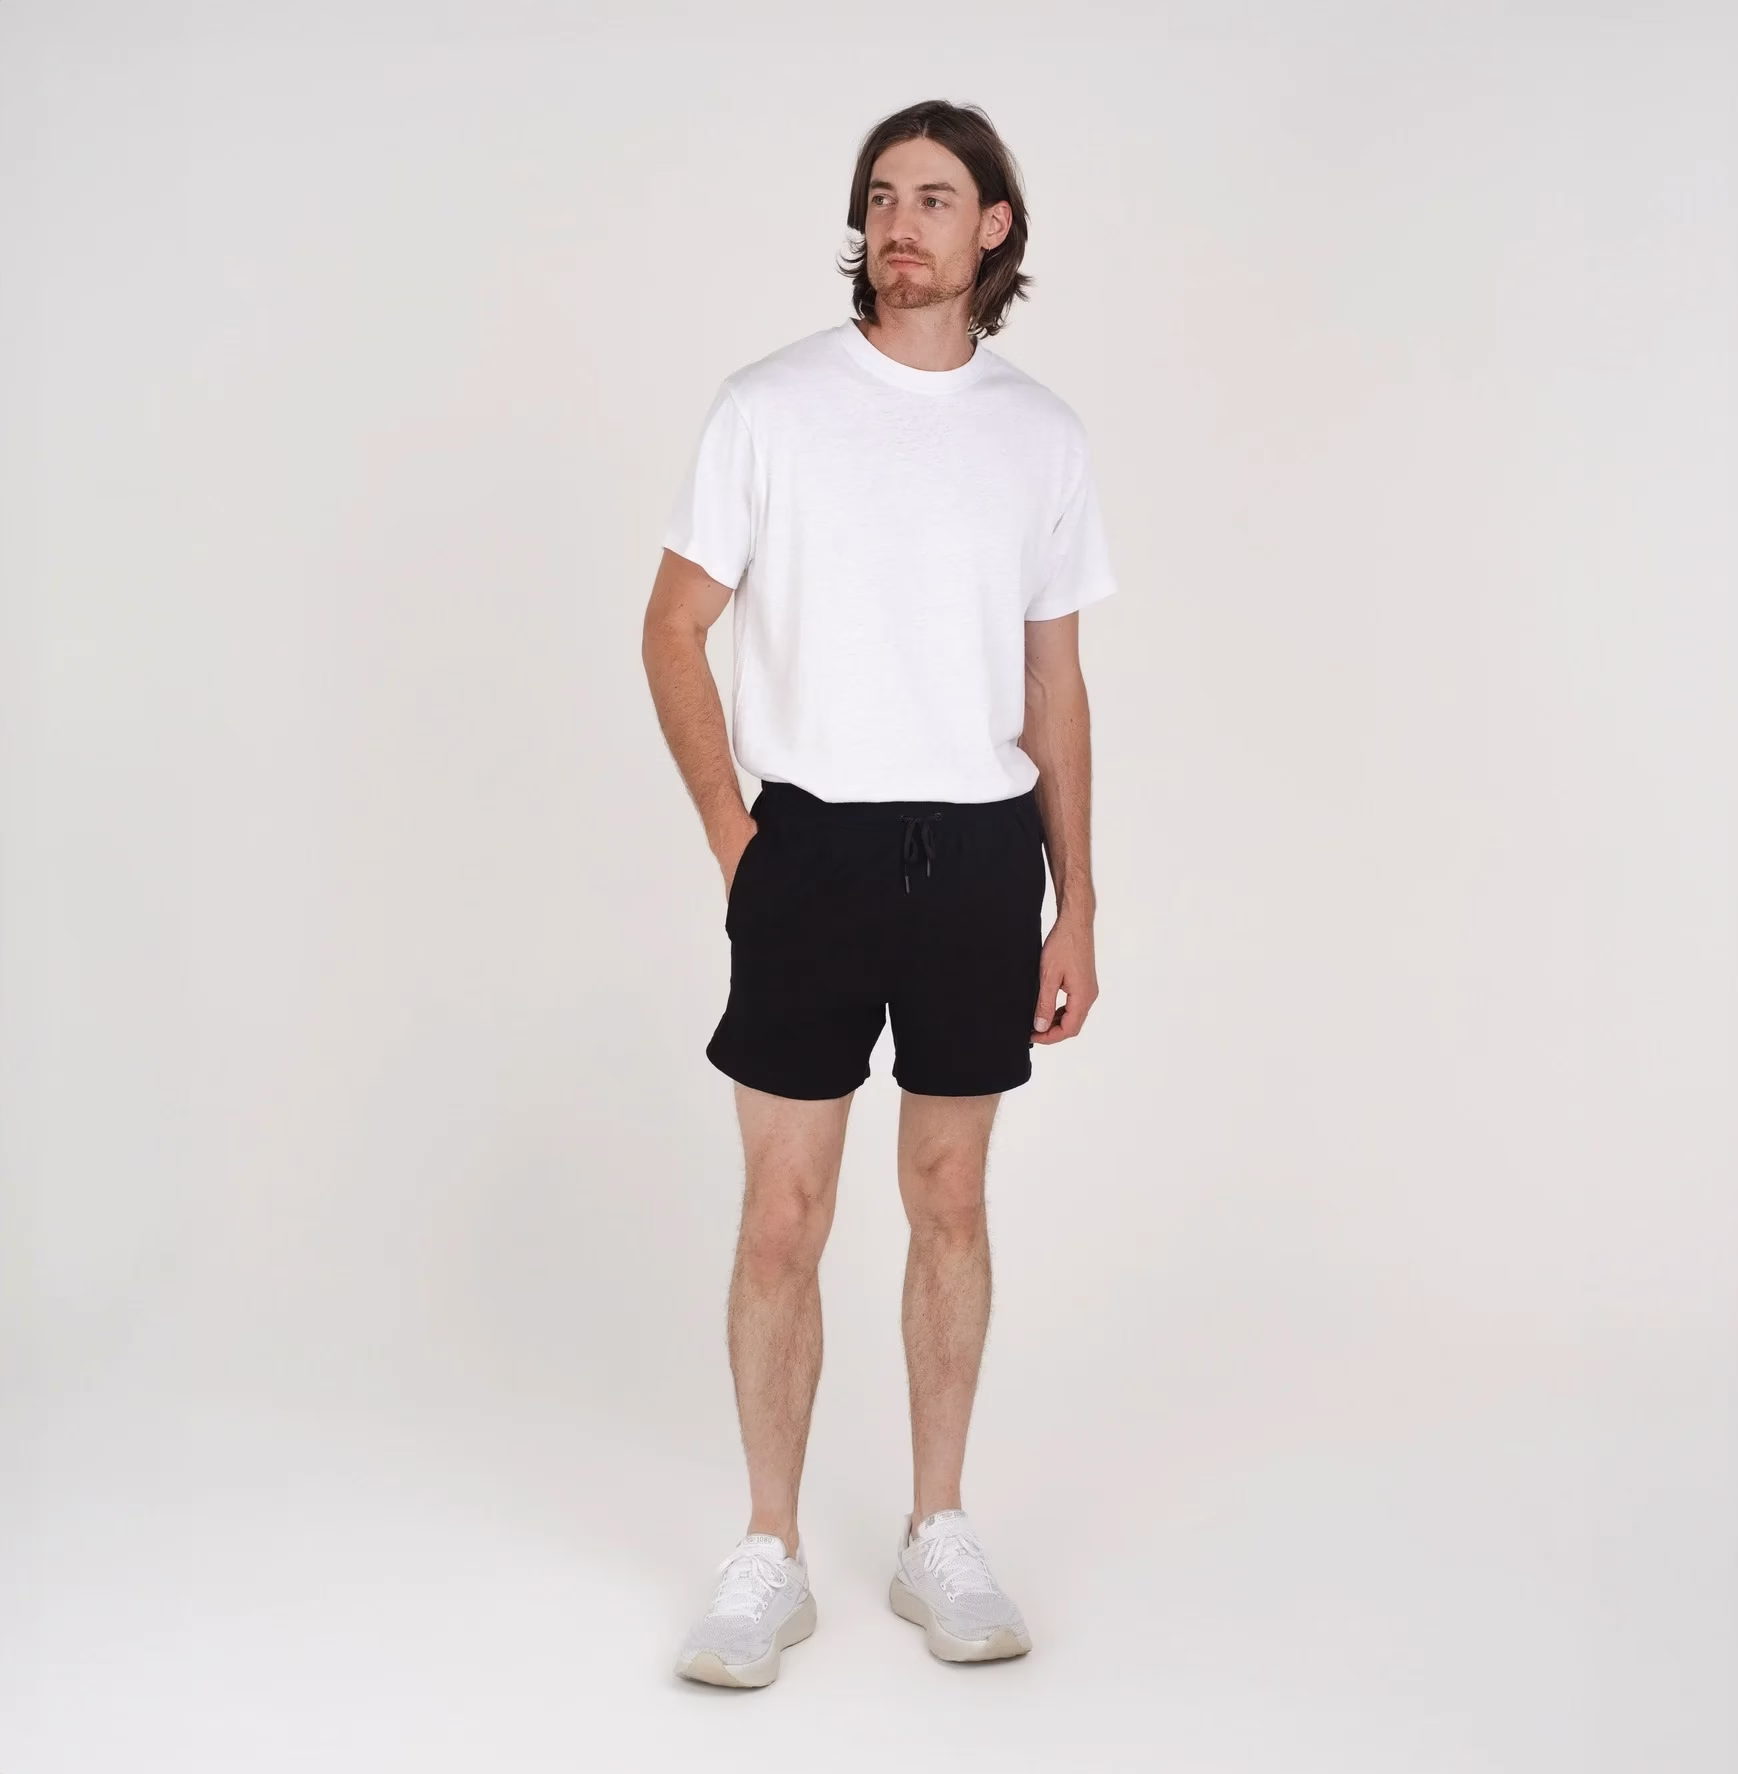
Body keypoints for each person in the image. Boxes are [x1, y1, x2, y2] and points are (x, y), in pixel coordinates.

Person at [640, 97, 1118, 1688]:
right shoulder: (770, 407)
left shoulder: (1039, 434)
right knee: (782, 1213)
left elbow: (1054, 681)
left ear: (994, 227)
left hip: (978, 853)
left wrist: (1076, 899)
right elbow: (671, 625)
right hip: (811, 849)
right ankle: (766, 1550)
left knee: (949, 1199)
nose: (898, 222)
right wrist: (737, 836)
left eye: (932, 196)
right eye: (880, 197)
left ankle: (936, 1529)